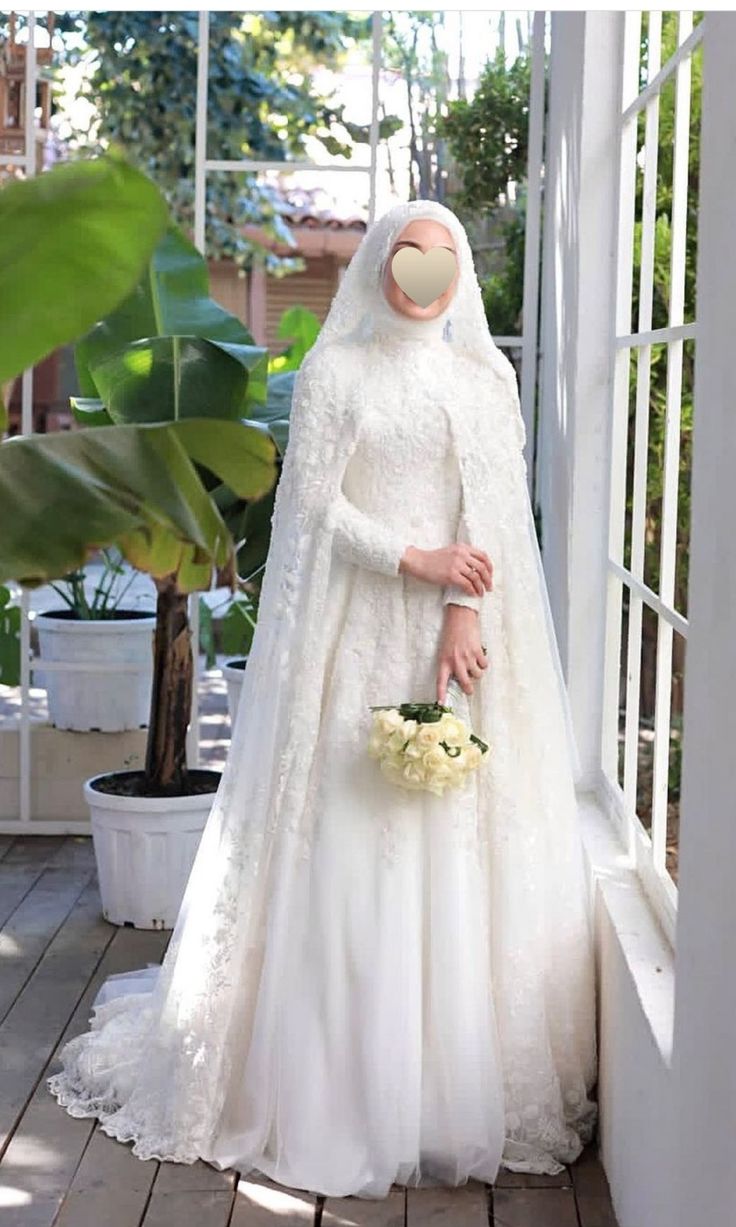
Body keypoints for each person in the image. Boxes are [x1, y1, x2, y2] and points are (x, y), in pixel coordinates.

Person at [47, 199, 598, 1199]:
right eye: (404, 254)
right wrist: (412, 555)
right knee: (350, 826)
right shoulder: (338, 373)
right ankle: (332, 1081)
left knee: (452, 830)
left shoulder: (486, 378)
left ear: (459, 273)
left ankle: (442, 1085)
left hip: (453, 638)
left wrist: (462, 605)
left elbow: (496, 515)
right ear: (379, 264)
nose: (419, 274)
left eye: (440, 258)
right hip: (359, 635)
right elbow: (308, 504)